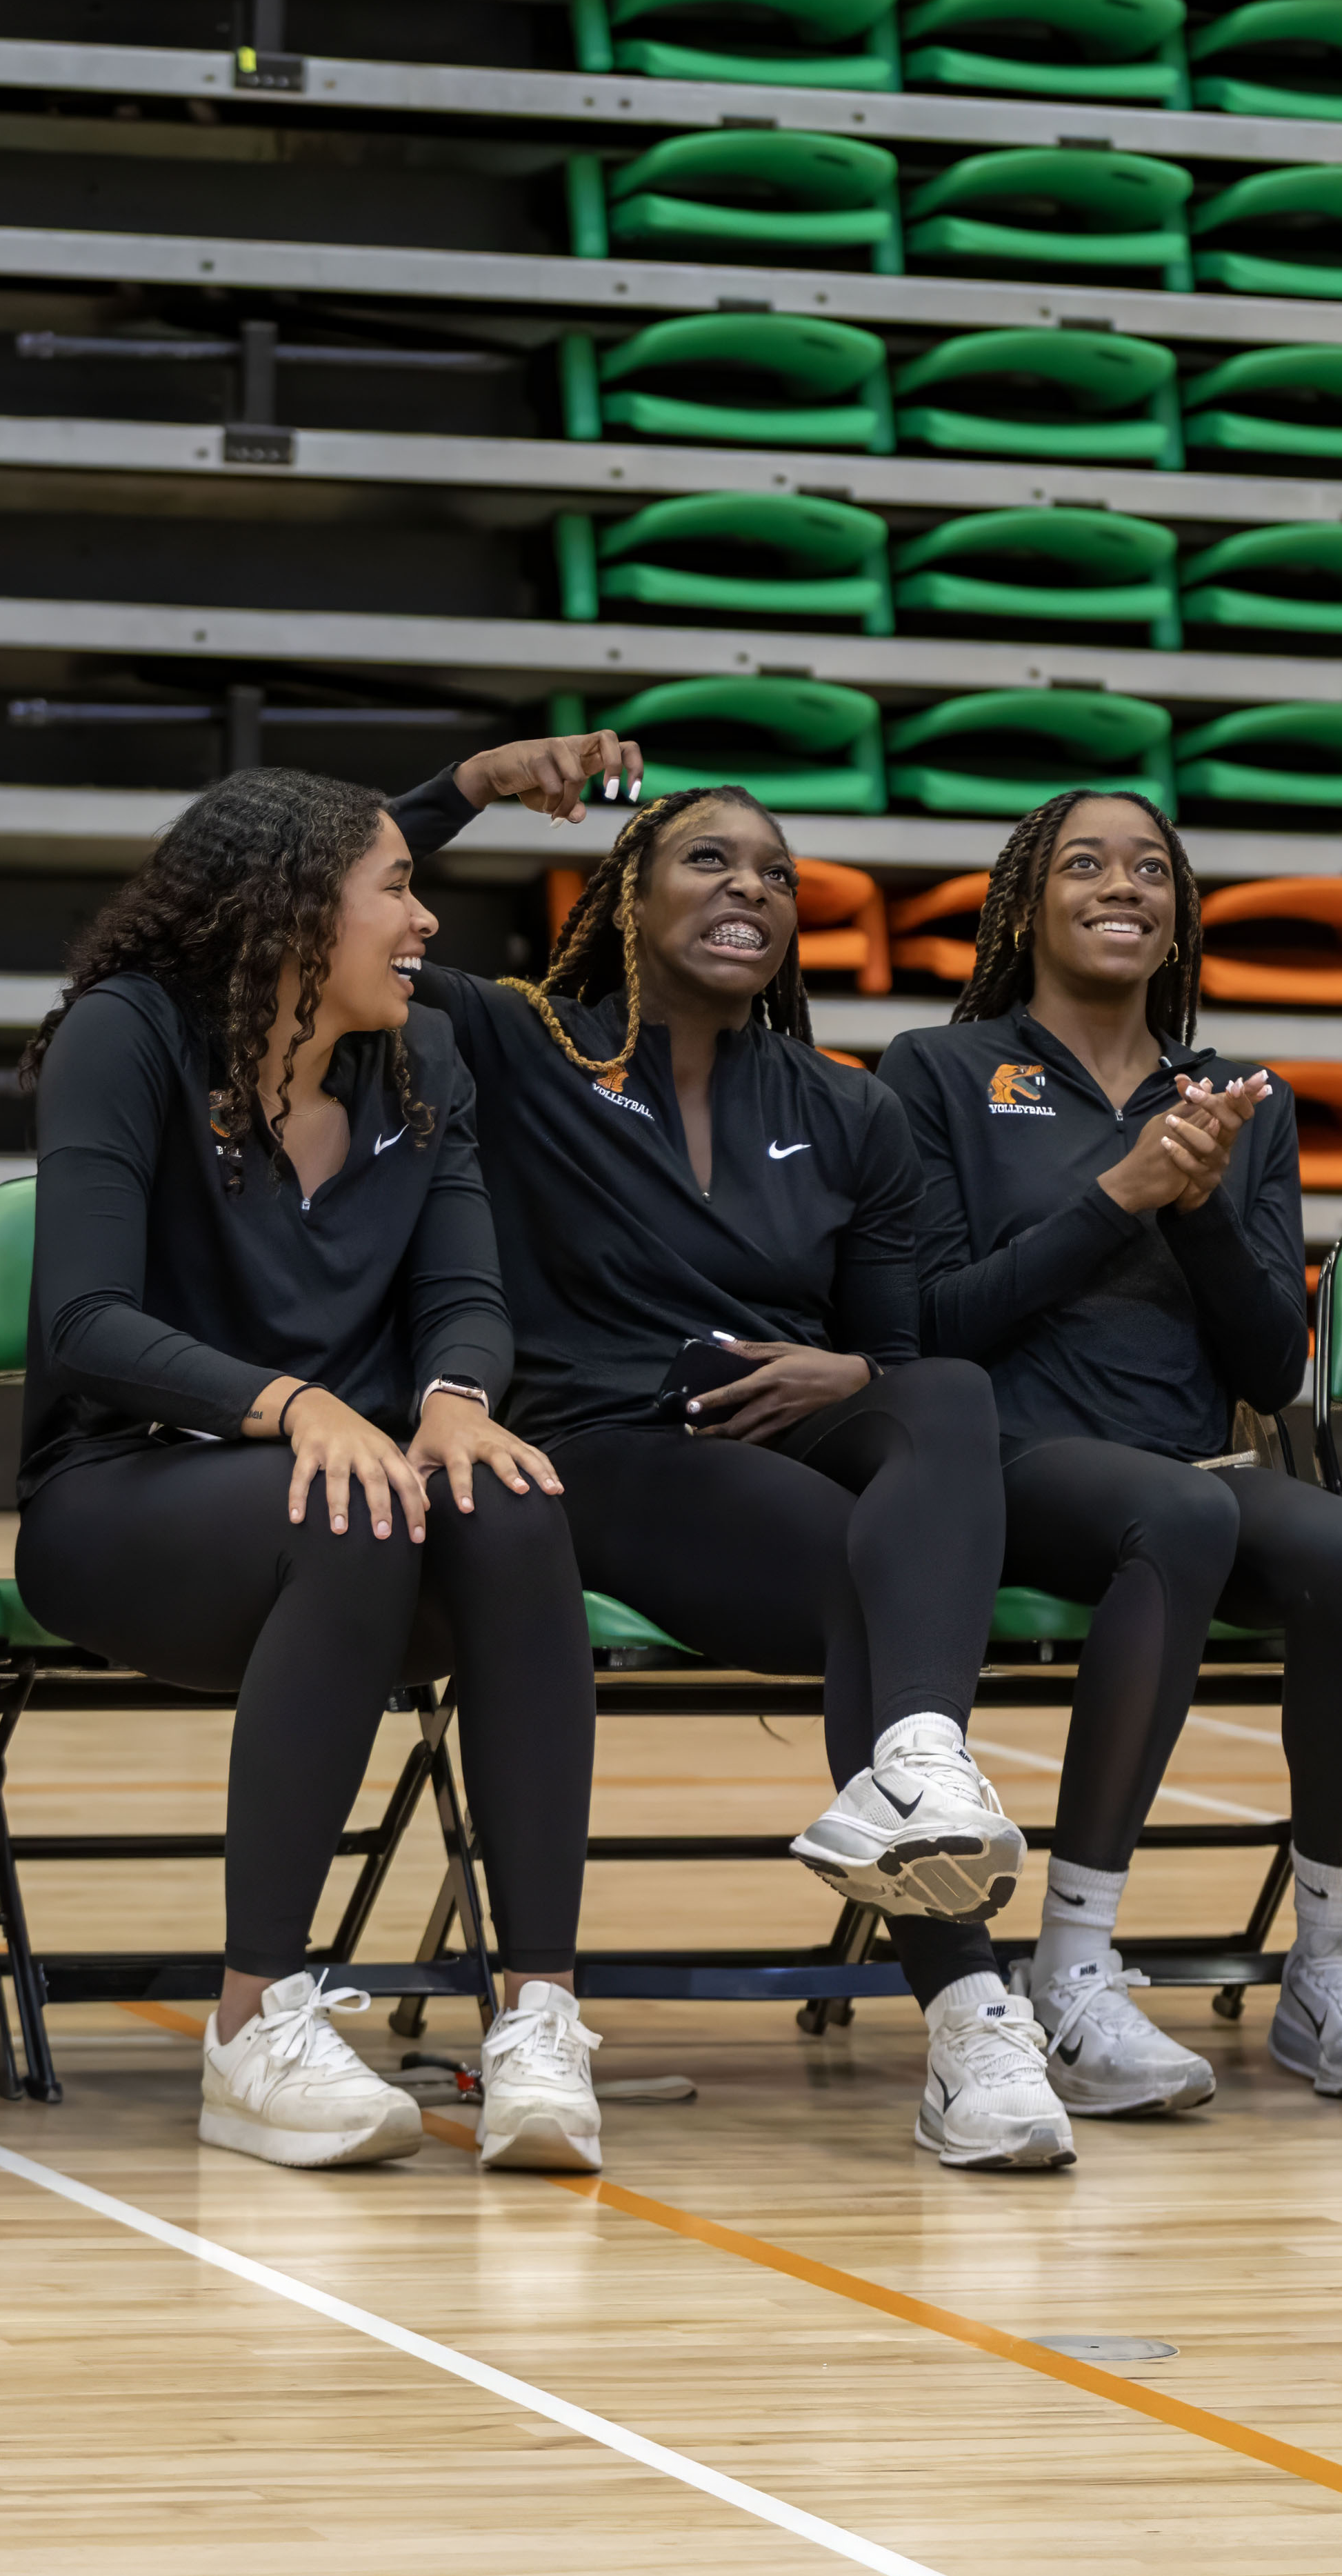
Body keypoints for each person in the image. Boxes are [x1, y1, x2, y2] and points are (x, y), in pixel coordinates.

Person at [391, 736, 1070, 2173]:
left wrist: (855, 1368)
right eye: (710, 858)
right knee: (853, 1574)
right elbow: (305, 899)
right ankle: (969, 2010)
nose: (750, 886)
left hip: (788, 1419)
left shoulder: (849, 1105)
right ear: (626, 894)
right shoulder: (522, 1039)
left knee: (941, 1387)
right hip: (602, 1443)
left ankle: (922, 1765)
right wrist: (476, 786)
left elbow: (891, 1343)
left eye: (776, 873)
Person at [19, 764, 601, 2173]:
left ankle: (536, 2016)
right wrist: (293, 1405)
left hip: (357, 1513)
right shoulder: (129, 1035)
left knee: (511, 1499)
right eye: (396, 889)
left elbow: (467, 1285)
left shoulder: (424, 1059)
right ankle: (254, 2019)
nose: (426, 922)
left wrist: (456, 1398)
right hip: (122, 1499)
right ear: (288, 918)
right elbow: (84, 1323)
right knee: (344, 1506)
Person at [883, 789, 1342, 2112]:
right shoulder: (939, 1071)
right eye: (1085, 865)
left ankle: (1329, 1957)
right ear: (1027, 903)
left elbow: (1264, 1370)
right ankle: (1073, 1974)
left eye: (1151, 870)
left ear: (1181, 918)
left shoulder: (1237, 1100)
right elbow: (923, 1323)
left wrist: (1195, 1209)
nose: (1122, 886)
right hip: (1003, 1464)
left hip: (1187, 1478)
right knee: (1177, 1520)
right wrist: (1118, 1196)